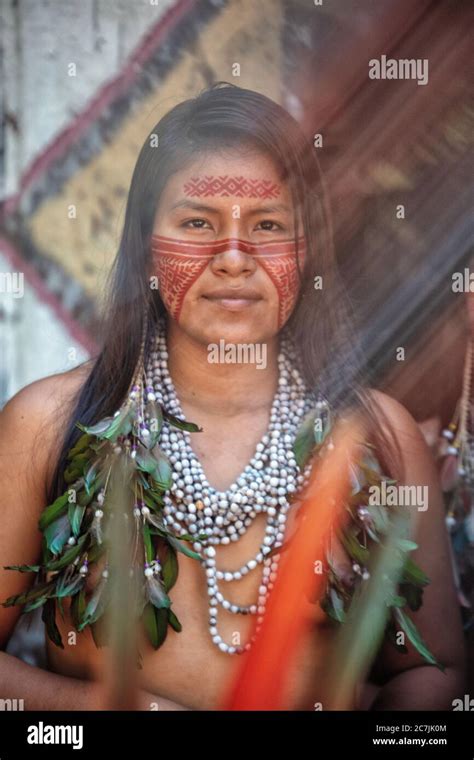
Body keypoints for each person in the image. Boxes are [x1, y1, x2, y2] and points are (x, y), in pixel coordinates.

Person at [0, 82, 465, 710]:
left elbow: (434, 674)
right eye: (198, 223)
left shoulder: (377, 436)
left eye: (268, 225)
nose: (234, 257)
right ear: (144, 251)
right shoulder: (49, 425)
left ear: (306, 251)